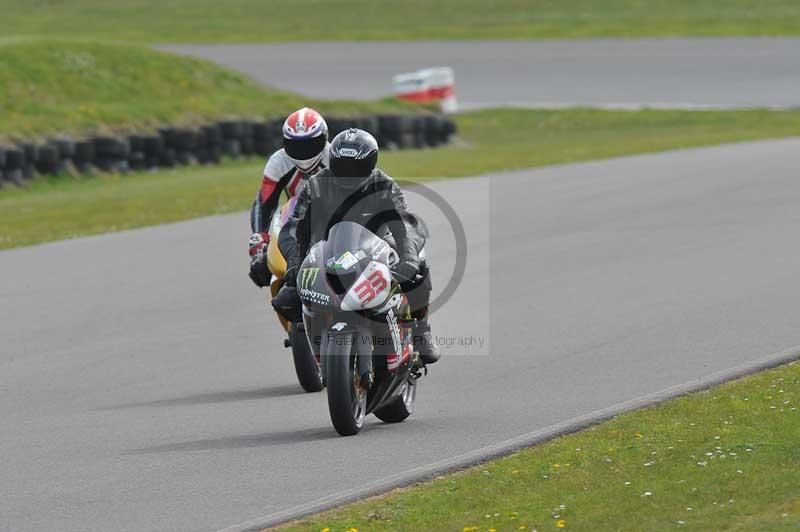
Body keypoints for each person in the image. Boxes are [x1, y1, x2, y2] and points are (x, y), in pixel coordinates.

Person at [275, 128, 440, 365]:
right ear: (332, 162)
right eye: (342, 166)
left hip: (377, 248)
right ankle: (314, 341)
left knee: (419, 265)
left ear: (370, 164)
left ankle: (421, 329)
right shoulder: (317, 185)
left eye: (356, 167)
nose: (349, 174)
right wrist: (294, 264)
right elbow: (293, 227)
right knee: (286, 298)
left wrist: (409, 257)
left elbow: (405, 222)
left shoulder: (383, 184)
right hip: (328, 250)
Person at [248, 107, 330, 287]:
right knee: (260, 268)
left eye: (310, 144)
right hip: (293, 220)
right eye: (296, 145)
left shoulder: (334, 157)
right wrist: (259, 239)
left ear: (324, 138)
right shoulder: (278, 161)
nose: (303, 151)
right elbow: (264, 202)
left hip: (333, 221)